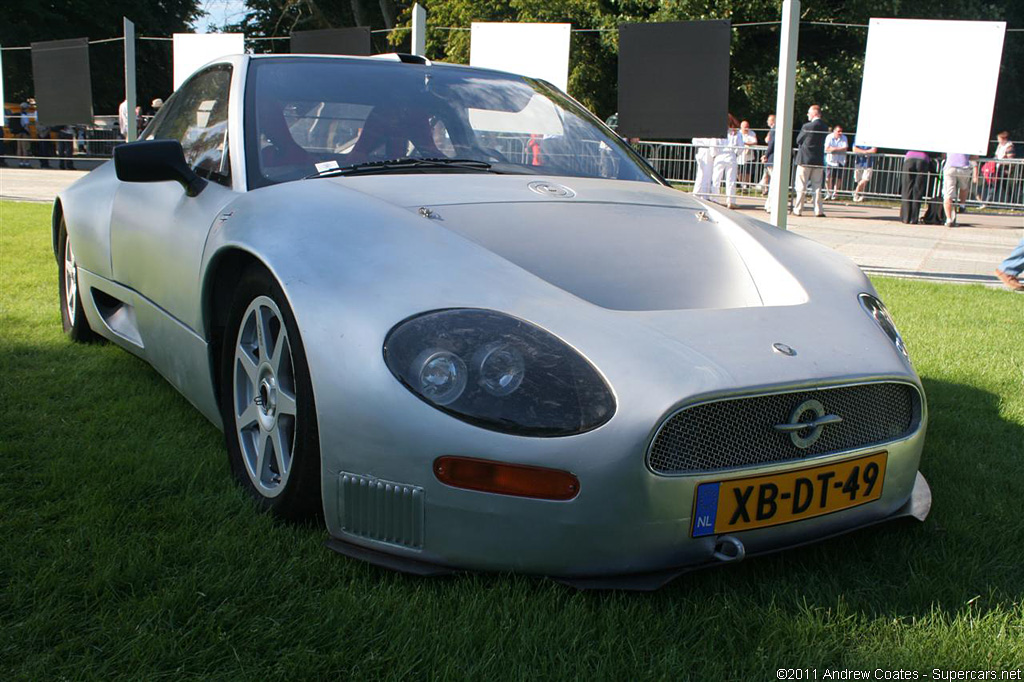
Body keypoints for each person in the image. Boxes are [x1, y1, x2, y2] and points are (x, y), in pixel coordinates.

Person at [792, 104, 828, 217]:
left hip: (805, 159)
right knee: (817, 186)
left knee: (801, 186)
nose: (807, 115)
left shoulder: (807, 126)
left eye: (809, 113)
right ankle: (818, 210)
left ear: (814, 113)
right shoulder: (824, 126)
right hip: (818, 160)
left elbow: (798, 140)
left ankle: (798, 209)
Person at [710, 114, 743, 209]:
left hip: (720, 155)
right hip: (731, 155)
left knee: (716, 179)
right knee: (731, 180)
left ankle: (714, 199)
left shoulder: (717, 131)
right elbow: (740, 146)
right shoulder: (736, 132)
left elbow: (713, 145)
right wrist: (736, 154)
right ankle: (731, 201)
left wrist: (714, 155)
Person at [942, 153, 975, 227]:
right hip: (964, 166)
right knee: (964, 187)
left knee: (948, 194)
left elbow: (943, 155)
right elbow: (975, 157)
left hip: (950, 166)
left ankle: (949, 219)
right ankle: (962, 205)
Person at [900, 151, 930, 224]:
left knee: (906, 189)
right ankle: (914, 219)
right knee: (918, 191)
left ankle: (905, 218)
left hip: (909, 158)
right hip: (923, 158)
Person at [824, 124, 849, 200]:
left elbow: (845, 148)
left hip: (840, 161)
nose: (840, 133)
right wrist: (839, 149)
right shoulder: (829, 137)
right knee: (828, 177)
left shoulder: (844, 137)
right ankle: (828, 192)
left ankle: (835, 193)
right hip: (830, 161)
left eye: (841, 131)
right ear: (834, 131)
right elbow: (827, 148)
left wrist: (834, 149)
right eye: (838, 131)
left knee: (838, 178)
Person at [758, 114, 775, 198]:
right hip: (773, 158)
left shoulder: (773, 130)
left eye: (768, 120)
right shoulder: (775, 130)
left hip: (772, 159)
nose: (767, 122)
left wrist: (766, 155)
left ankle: (771, 202)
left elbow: (771, 144)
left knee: (773, 181)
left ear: (772, 121)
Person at [738, 120, 758, 186]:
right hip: (740, 155)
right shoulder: (738, 133)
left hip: (749, 155)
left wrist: (745, 143)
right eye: (745, 127)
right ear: (741, 127)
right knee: (740, 171)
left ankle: (746, 185)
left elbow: (755, 142)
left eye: (747, 126)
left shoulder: (752, 133)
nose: (747, 128)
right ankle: (741, 184)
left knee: (748, 171)